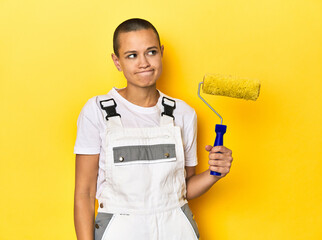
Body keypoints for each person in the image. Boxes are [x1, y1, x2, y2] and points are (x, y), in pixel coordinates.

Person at [74, 18, 233, 240]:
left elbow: (184, 188)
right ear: (117, 61)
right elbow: (84, 193)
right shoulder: (97, 111)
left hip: (177, 229)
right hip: (119, 230)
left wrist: (215, 173)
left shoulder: (183, 113)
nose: (144, 63)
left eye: (151, 52)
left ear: (161, 52)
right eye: (132, 55)